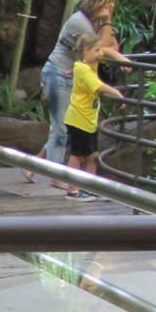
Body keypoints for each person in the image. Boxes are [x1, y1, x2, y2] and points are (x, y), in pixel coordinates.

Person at [29, 0, 130, 188]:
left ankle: (31, 165)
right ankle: (57, 177)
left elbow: (112, 45)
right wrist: (115, 51)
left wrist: (106, 25)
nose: (111, 8)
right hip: (58, 75)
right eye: (109, 4)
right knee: (61, 129)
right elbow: (100, 49)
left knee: (64, 127)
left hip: (71, 78)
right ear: (101, 1)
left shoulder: (94, 23)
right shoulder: (80, 22)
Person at [63, 30, 122, 200]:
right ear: (86, 50)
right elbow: (97, 86)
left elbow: (106, 50)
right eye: (95, 51)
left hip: (88, 120)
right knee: (77, 155)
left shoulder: (90, 64)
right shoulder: (82, 68)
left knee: (92, 155)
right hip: (78, 119)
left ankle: (90, 187)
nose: (99, 54)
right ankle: (72, 190)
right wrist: (117, 93)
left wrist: (123, 60)